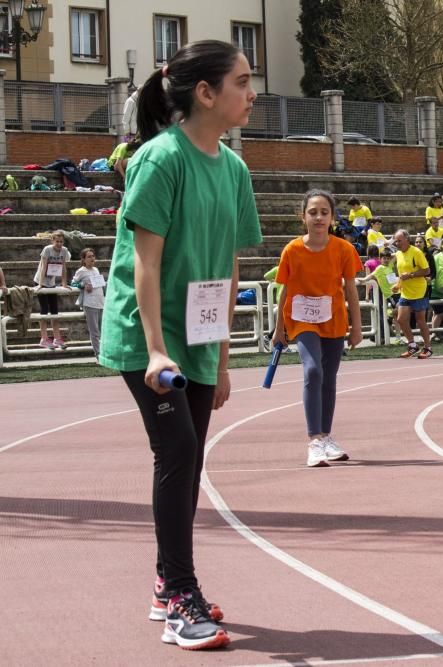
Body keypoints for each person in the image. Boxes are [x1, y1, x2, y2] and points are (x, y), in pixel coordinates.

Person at [97, 41, 262, 651]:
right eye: (242, 82)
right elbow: (144, 263)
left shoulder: (235, 168)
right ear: (205, 92)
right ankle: (180, 601)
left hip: (195, 335)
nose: (252, 94)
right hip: (148, 335)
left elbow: (228, 269)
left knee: (190, 459)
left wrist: (219, 359)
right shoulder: (160, 160)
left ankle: (168, 584)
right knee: (177, 450)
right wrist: (158, 351)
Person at [272, 189, 362, 467]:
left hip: (333, 320)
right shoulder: (292, 250)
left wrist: (357, 326)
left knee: (330, 378)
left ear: (333, 217)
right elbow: (284, 291)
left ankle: (326, 436)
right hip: (300, 320)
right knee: (313, 369)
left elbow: (350, 290)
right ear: (303, 217)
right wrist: (278, 329)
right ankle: (314, 440)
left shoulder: (344, 249)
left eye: (324, 212)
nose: (319, 217)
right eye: (313, 212)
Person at [392, 230, 433, 359]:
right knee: (400, 319)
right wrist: (397, 285)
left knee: (420, 321)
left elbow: (427, 270)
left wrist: (410, 275)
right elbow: (401, 273)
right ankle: (412, 345)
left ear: (407, 239)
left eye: (399, 240)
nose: (397, 243)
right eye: (396, 241)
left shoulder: (416, 252)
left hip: (419, 291)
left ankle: (428, 347)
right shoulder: (398, 254)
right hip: (405, 292)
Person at [34, 230, 71, 349]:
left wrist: (64, 283)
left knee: (54, 311)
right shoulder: (47, 249)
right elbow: (43, 266)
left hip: (52, 283)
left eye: (61, 241)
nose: (59, 244)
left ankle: (57, 338)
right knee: (44, 310)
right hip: (41, 281)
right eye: (57, 241)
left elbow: (64, 267)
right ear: (52, 241)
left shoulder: (64, 251)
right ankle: (44, 338)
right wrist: (40, 284)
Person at [72, 247, 105, 354]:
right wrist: (83, 285)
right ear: (83, 259)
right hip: (90, 304)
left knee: (102, 330)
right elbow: (73, 283)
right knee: (95, 332)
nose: (92, 258)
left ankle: (104, 353)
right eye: (89, 257)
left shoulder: (96, 270)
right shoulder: (81, 271)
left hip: (101, 303)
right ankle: (98, 355)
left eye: (93, 256)